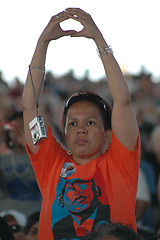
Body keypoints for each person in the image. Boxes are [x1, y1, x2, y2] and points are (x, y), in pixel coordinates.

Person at [22, 8, 140, 240]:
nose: (81, 129)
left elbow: (123, 102)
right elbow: (30, 107)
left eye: (91, 122)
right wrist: (42, 43)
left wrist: (99, 39)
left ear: (108, 134)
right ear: (64, 131)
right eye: (73, 124)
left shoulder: (121, 163)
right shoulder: (51, 163)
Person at [0, 111, 42, 217]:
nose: (18, 132)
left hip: (37, 216)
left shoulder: (42, 159)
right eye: (15, 128)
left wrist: (26, 144)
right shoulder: (3, 161)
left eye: (23, 127)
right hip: (8, 216)